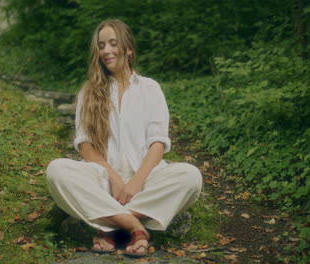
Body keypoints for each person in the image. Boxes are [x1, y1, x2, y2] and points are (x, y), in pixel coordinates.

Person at [46, 19, 203, 257]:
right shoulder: (89, 91)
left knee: (191, 177)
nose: (106, 50)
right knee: (56, 171)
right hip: (101, 180)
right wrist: (117, 181)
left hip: (146, 179)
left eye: (113, 43)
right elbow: (86, 147)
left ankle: (108, 225)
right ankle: (135, 227)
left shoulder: (150, 88)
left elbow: (158, 143)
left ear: (129, 49)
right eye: (101, 45)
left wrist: (136, 182)